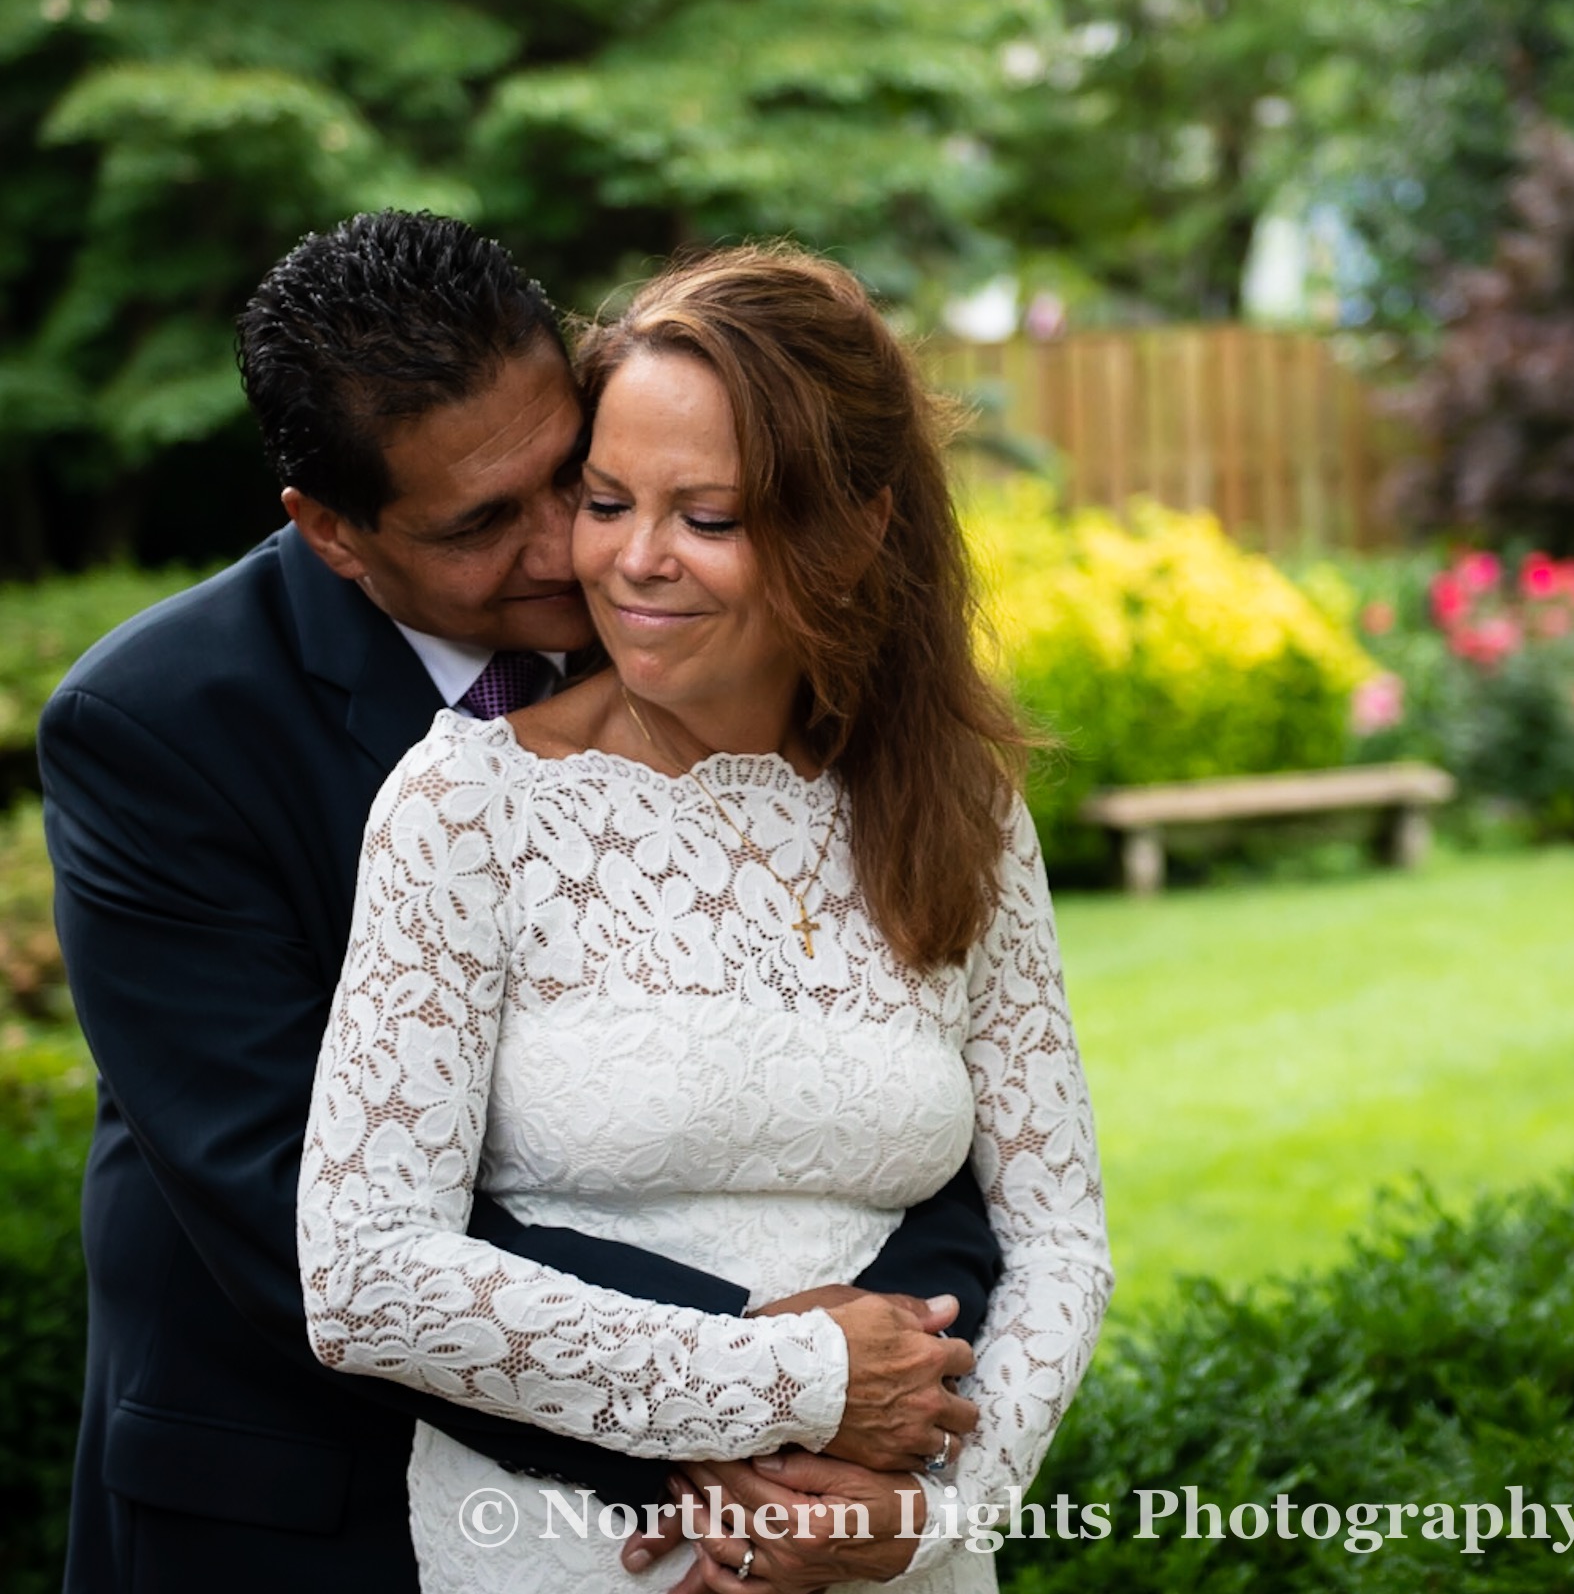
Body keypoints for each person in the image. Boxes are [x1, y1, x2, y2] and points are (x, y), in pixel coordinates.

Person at [41, 213, 1001, 1594]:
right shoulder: (159, 728)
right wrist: (758, 1393)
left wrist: (900, 1360)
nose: (569, 548)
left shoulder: (708, 639)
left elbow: (901, 1081)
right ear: (333, 533)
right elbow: (282, 1204)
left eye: (571, 474)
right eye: (482, 523)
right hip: (297, 1502)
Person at [297, 244, 1114, 1591]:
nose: (634, 561)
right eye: (607, 502)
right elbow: (366, 1276)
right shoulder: (466, 807)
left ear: (855, 529)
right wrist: (787, 1386)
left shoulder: (956, 806)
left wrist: (928, 1519)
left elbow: (1059, 1239)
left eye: (709, 518)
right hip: (569, 1552)